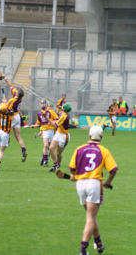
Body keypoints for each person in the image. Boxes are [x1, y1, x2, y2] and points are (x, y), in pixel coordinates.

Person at [56, 125, 118, 255]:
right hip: (94, 184)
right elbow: (113, 170)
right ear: (101, 137)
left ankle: (99, 244)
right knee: (90, 217)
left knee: (90, 216)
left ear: (89, 136)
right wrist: (107, 182)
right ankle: (83, 250)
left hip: (80, 185)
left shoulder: (79, 149)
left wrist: (74, 176)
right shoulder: (103, 150)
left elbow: (72, 168)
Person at [0, 74, 27, 162]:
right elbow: (10, 85)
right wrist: (4, 78)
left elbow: (7, 110)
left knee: (3, 131)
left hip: (11, 117)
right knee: (18, 137)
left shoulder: (12, 100)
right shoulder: (18, 97)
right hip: (17, 117)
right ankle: (23, 149)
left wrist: (5, 102)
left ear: (17, 93)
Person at [45, 103, 71, 172]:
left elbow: (55, 125)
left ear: (64, 109)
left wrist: (47, 119)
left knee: (58, 153)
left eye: (62, 106)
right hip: (58, 133)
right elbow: (57, 119)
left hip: (64, 136)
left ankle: (58, 165)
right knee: (51, 148)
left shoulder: (64, 116)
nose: (61, 107)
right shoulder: (62, 112)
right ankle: (56, 165)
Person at [31, 99, 58, 166]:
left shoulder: (51, 112)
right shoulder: (39, 113)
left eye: (44, 103)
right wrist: (34, 126)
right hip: (44, 131)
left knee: (49, 148)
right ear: (40, 105)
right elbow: (38, 123)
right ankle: (46, 161)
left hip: (51, 131)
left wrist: (52, 122)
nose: (43, 104)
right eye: (41, 103)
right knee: (45, 145)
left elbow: (57, 119)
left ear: (46, 104)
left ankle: (43, 158)